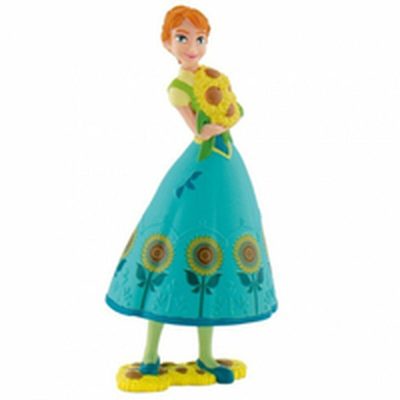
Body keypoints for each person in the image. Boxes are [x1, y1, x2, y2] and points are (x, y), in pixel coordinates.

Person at [105, 5, 278, 388]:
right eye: (182, 38)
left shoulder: (213, 77)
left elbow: (237, 111)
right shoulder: (180, 87)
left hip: (226, 168)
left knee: (215, 258)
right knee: (172, 252)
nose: (192, 47)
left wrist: (229, 111)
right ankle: (150, 355)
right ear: (167, 43)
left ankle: (205, 355)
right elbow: (199, 131)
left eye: (199, 39)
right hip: (202, 167)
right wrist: (214, 122)